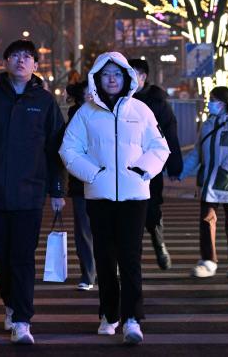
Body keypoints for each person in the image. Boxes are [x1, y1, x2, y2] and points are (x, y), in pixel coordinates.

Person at [59, 52, 170, 344]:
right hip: (99, 195)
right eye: (106, 73)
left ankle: (132, 318)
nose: (111, 78)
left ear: (126, 78)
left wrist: (142, 170)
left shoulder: (141, 110)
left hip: (135, 196)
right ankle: (109, 314)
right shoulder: (86, 113)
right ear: (97, 77)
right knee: (105, 258)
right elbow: (68, 150)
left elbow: (159, 147)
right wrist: (93, 175)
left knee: (130, 258)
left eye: (117, 74)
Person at [0, 40, 66, 345]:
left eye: (28, 57)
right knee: (1, 254)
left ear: (35, 65)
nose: (21, 61)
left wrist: (56, 189)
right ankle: (10, 302)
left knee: (22, 256)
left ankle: (22, 319)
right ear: (6, 62)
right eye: (16, 56)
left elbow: (55, 148)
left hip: (30, 192)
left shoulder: (44, 102)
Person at [179, 86, 228, 278]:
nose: (209, 103)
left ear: (222, 102)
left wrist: (225, 168)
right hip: (209, 180)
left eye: (212, 100)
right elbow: (197, 152)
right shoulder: (208, 124)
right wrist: (182, 172)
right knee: (206, 219)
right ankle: (208, 261)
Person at [128, 58, 183, 270]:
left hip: (150, 168)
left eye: (132, 74)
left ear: (143, 77)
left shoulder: (157, 102)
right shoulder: (119, 100)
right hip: (124, 167)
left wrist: (174, 167)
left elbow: (170, 134)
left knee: (152, 210)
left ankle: (159, 244)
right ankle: (132, 261)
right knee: (129, 215)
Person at [64, 80, 96, 291]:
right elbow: (66, 151)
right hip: (81, 182)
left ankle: (110, 267)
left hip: (109, 181)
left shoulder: (108, 113)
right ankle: (88, 274)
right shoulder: (74, 118)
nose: (92, 97)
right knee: (84, 230)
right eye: (88, 94)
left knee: (108, 228)